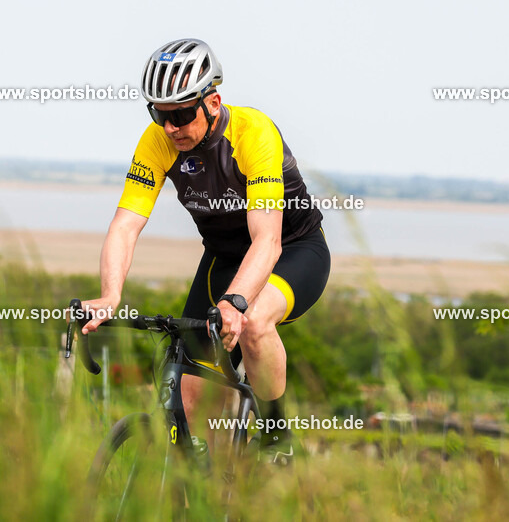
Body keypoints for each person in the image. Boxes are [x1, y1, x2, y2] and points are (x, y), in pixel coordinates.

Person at [77, 38, 330, 464]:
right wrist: (109, 295)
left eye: (180, 114)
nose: (170, 126)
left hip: (291, 250)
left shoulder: (254, 134)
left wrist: (234, 302)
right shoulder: (157, 142)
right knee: (189, 409)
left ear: (212, 102)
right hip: (223, 259)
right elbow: (126, 224)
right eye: (160, 114)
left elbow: (266, 240)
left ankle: (275, 431)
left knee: (251, 323)